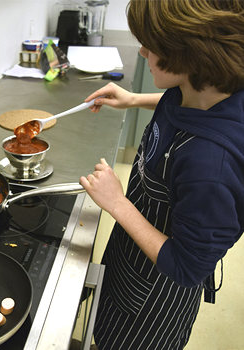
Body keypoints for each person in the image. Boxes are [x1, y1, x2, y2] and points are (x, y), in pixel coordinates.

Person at [79, 0, 244, 349]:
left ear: (189, 54)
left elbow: (188, 266)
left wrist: (118, 204)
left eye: (150, 45)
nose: (141, 51)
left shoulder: (209, 167)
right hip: (129, 259)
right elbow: (181, 102)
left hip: (155, 297)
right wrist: (134, 99)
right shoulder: (205, 89)